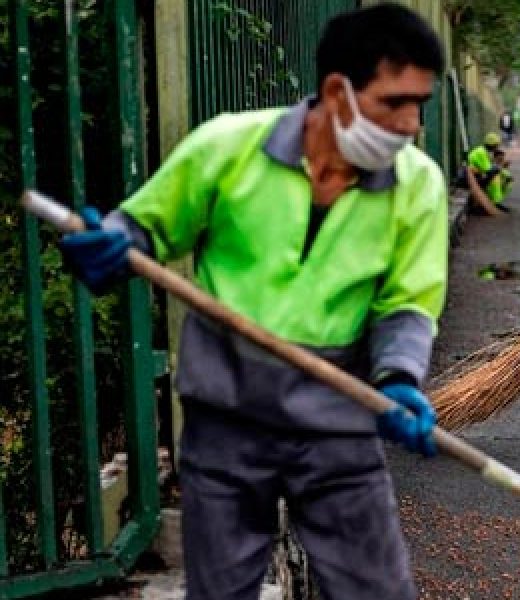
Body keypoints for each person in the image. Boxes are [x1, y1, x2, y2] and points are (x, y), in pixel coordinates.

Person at [58, 5, 447, 599]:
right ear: (336, 91)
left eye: (419, 104)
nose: (411, 124)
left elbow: (408, 304)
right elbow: (147, 225)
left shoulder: (417, 184)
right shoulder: (230, 148)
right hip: (226, 418)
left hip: (337, 417)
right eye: (394, 103)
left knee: (379, 591)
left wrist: (398, 378)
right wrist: (112, 241)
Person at [466, 131, 511, 213]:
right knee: (496, 178)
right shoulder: (481, 152)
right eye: (497, 145)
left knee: (507, 178)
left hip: (479, 176)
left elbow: (491, 169)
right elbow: (489, 170)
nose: (497, 147)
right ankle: (495, 202)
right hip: (473, 178)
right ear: (492, 145)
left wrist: (506, 174)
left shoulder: (485, 152)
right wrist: (501, 166)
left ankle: (495, 201)